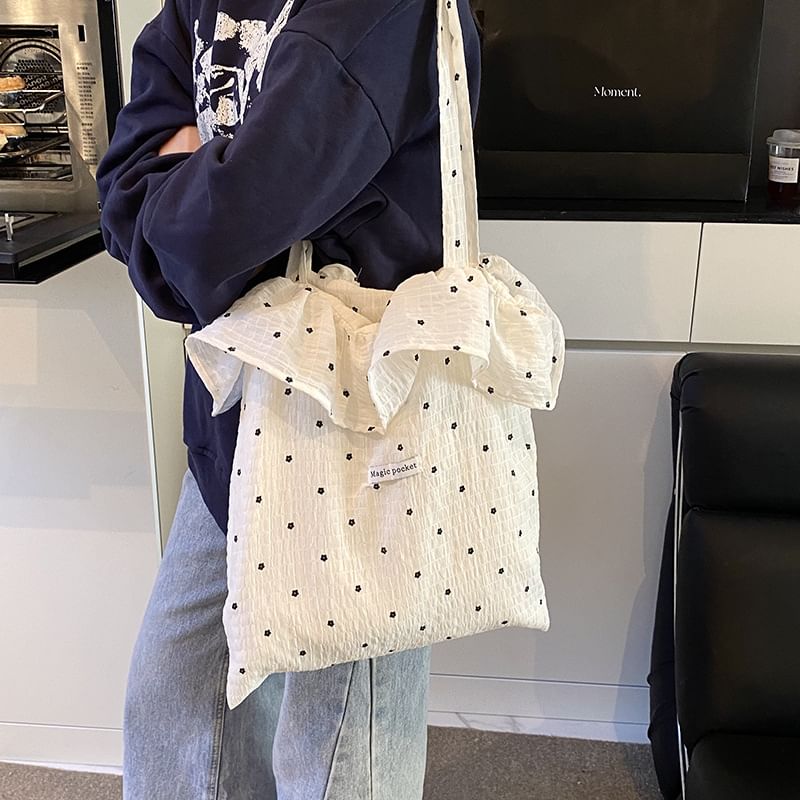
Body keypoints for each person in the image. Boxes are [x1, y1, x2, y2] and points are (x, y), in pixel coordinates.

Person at [96, 0, 481, 797]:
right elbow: (126, 185)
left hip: (362, 434)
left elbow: (218, 228)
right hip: (229, 428)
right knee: (174, 711)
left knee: (337, 756)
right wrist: (203, 200)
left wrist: (192, 175)